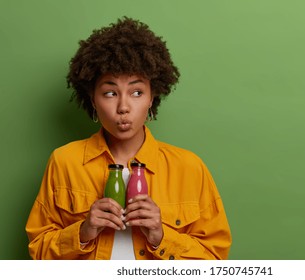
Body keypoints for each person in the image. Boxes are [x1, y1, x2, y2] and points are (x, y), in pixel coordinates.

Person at [25, 17, 232, 260]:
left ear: (152, 97)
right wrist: (82, 232)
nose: (123, 107)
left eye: (136, 92)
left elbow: (216, 260)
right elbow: (38, 251)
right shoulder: (64, 161)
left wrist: (161, 236)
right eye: (110, 93)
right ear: (93, 99)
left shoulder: (189, 168)